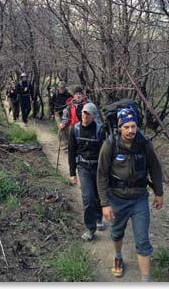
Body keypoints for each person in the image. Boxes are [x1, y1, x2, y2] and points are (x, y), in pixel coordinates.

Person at [97, 107, 163, 281]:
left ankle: (145, 281)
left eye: (133, 126)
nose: (130, 130)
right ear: (120, 127)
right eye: (126, 127)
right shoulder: (110, 144)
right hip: (117, 198)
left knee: (142, 240)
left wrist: (159, 192)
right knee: (117, 233)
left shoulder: (144, 143)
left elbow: (155, 167)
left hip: (140, 199)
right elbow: (102, 174)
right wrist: (105, 204)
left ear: (137, 126)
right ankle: (118, 256)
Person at [68, 103, 105, 242]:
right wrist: (72, 173)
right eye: (84, 112)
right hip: (83, 167)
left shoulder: (100, 131)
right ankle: (90, 228)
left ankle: (99, 216)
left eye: (88, 114)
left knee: (98, 195)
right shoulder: (75, 129)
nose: (85, 115)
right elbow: (71, 152)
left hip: (98, 168)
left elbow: (105, 153)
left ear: (94, 116)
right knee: (87, 198)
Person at [49, 81, 72, 149]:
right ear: (58, 88)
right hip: (57, 113)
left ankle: (67, 143)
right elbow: (51, 103)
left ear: (65, 88)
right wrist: (52, 113)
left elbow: (73, 99)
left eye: (63, 88)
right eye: (60, 88)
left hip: (66, 114)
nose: (61, 89)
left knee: (66, 127)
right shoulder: (55, 95)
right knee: (61, 127)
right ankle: (63, 143)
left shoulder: (68, 95)